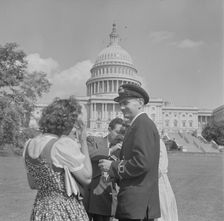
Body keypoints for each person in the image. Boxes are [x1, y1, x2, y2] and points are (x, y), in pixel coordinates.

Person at [98, 84, 161, 221]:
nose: (121, 107)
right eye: (120, 103)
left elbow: (142, 162)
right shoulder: (137, 124)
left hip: (137, 202)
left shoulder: (142, 125)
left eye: (125, 102)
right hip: (136, 201)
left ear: (140, 103)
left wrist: (113, 167)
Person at [23, 97, 92, 221]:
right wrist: (83, 139)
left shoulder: (29, 144)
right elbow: (87, 178)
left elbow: (33, 184)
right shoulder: (62, 145)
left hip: (41, 208)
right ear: (67, 122)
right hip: (64, 209)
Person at [85, 117, 124, 221]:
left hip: (108, 196)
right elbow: (90, 154)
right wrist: (111, 150)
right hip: (91, 195)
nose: (119, 135)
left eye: (122, 133)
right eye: (117, 132)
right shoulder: (93, 140)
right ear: (109, 129)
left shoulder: (122, 149)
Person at [156, 139, 178, 221]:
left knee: (162, 211)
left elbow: (160, 169)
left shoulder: (158, 142)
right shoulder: (156, 142)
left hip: (159, 183)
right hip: (158, 182)